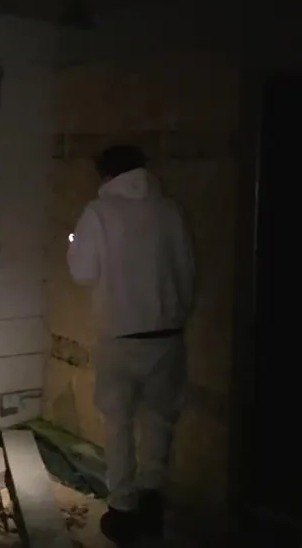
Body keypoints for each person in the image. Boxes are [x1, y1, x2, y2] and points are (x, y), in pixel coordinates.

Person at [67, 145, 195, 545]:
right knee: (160, 421)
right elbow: (188, 270)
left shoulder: (99, 213)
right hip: (168, 336)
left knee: (118, 423)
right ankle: (153, 502)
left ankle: (123, 510)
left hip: (120, 337)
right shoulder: (169, 211)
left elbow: (82, 271)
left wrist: (74, 240)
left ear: (106, 175)